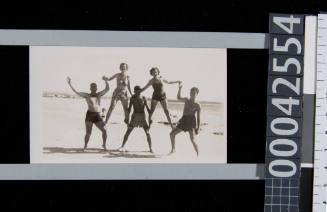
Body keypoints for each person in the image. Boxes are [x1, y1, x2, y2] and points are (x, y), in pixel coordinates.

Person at [66, 76, 109, 150]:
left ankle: (104, 145)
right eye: (92, 87)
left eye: (95, 87)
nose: (93, 88)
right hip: (90, 115)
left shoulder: (99, 94)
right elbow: (76, 92)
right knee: (88, 133)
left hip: (97, 115)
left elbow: (107, 89)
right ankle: (85, 146)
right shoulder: (87, 95)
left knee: (104, 130)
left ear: (96, 88)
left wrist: (106, 81)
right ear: (90, 88)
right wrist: (70, 84)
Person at [169, 82, 201, 156]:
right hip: (184, 120)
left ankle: (198, 154)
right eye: (191, 92)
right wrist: (180, 89)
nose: (192, 94)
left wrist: (198, 128)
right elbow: (178, 98)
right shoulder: (186, 100)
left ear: (197, 94)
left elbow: (198, 117)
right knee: (172, 134)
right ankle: (173, 149)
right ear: (189, 93)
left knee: (192, 140)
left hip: (191, 121)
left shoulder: (198, 105)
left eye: (194, 93)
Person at [120, 86, 153, 153]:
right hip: (135, 116)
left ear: (140, 91)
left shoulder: (143, 98)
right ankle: (122, 146)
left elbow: (148, 109)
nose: (138, 92)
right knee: (128, 131)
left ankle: (150, 149)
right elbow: (129, 109)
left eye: (139, 91)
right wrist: (126, 118)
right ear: (134, 91)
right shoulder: (133, 98)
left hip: (142, 117)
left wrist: (150, 119)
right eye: (136, 91)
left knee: (147, 132)